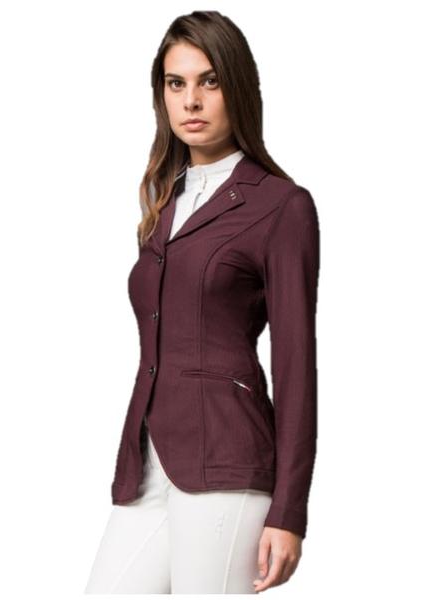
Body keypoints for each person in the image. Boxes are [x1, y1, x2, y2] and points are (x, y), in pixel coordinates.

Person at [85, 10, 320, 594]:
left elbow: (296, 365)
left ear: (238, 87)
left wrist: (290, 509)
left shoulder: (280, 205)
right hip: (149, 461)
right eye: (176, 83)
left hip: (228, 461)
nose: (191, 100)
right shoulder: (162, 204)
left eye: (209, 81)